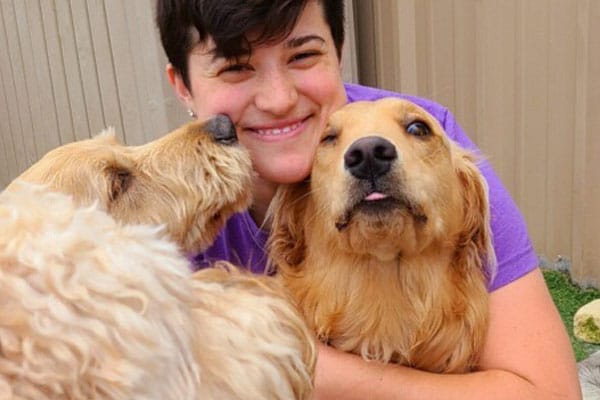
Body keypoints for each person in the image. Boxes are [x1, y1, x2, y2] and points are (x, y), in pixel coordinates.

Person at [156, 0, 581, 398]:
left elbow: (550, 391)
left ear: (338, 54)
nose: (279, 99)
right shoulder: (153, 211)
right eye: (235, 67)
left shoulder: (439, 139)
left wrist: (305, 363)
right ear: (183, 86)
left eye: (303, 56)